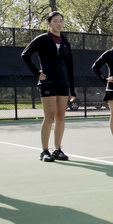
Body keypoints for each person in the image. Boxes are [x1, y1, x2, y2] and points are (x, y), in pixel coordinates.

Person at [22, 11, 76, 162]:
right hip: (48, 83)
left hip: (63, 84)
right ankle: (45, 151)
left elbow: (70, 67)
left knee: (61, 117)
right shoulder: (41, 40)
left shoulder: (66, 43)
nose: (59, 24)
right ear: (49, 23)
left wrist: (72, 89)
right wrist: (37, 72)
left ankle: (57, 149)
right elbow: (25, 55)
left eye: (61, 21)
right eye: (55, 21)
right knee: (49, 116)